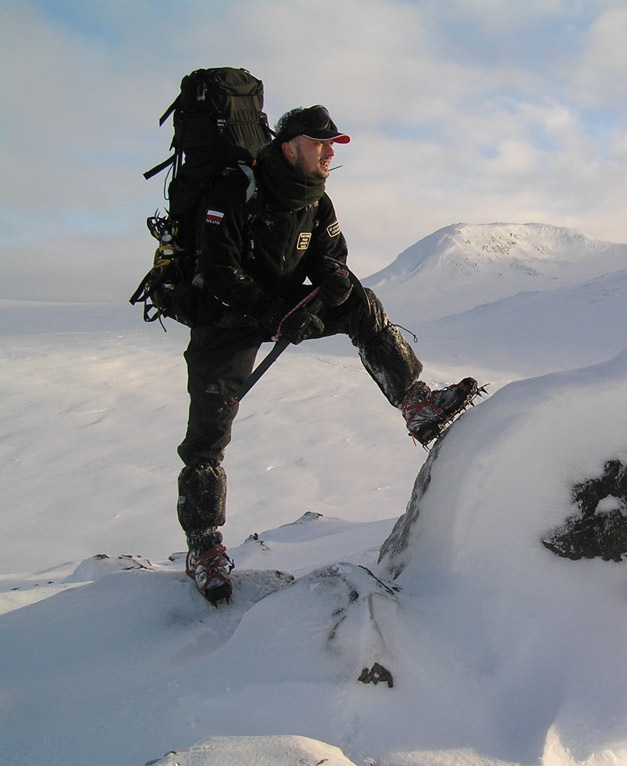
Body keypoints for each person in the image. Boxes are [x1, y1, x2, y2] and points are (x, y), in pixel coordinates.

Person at [176, 105, 478, 605]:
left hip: (287, 307)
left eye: (333, 144)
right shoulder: (235, 189)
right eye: (320, 143)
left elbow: (330, 259)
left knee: (361, 302)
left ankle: (415, 401)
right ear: (290, 143)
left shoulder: (316, 200)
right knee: (208, 435)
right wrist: (275, 312)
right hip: (225, 320)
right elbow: (219, 270)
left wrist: (333, 282)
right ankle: (204, 548)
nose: (329, 152)